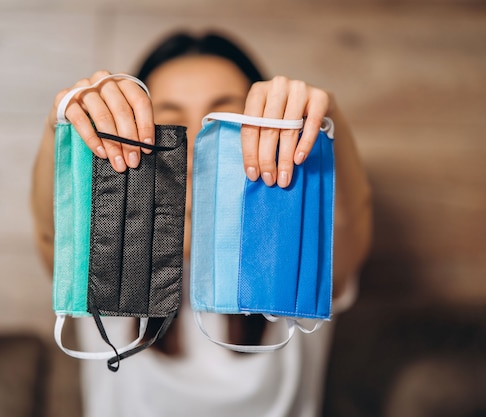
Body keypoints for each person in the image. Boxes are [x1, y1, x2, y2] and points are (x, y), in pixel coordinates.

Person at [31, 31, 372, 417]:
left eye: (222, 123)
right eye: (172, 126)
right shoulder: (110, 256)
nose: (197, 145)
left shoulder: (289, 255)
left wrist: (324, 122)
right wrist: (60, 124)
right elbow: (52, 232)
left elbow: (349, 218)